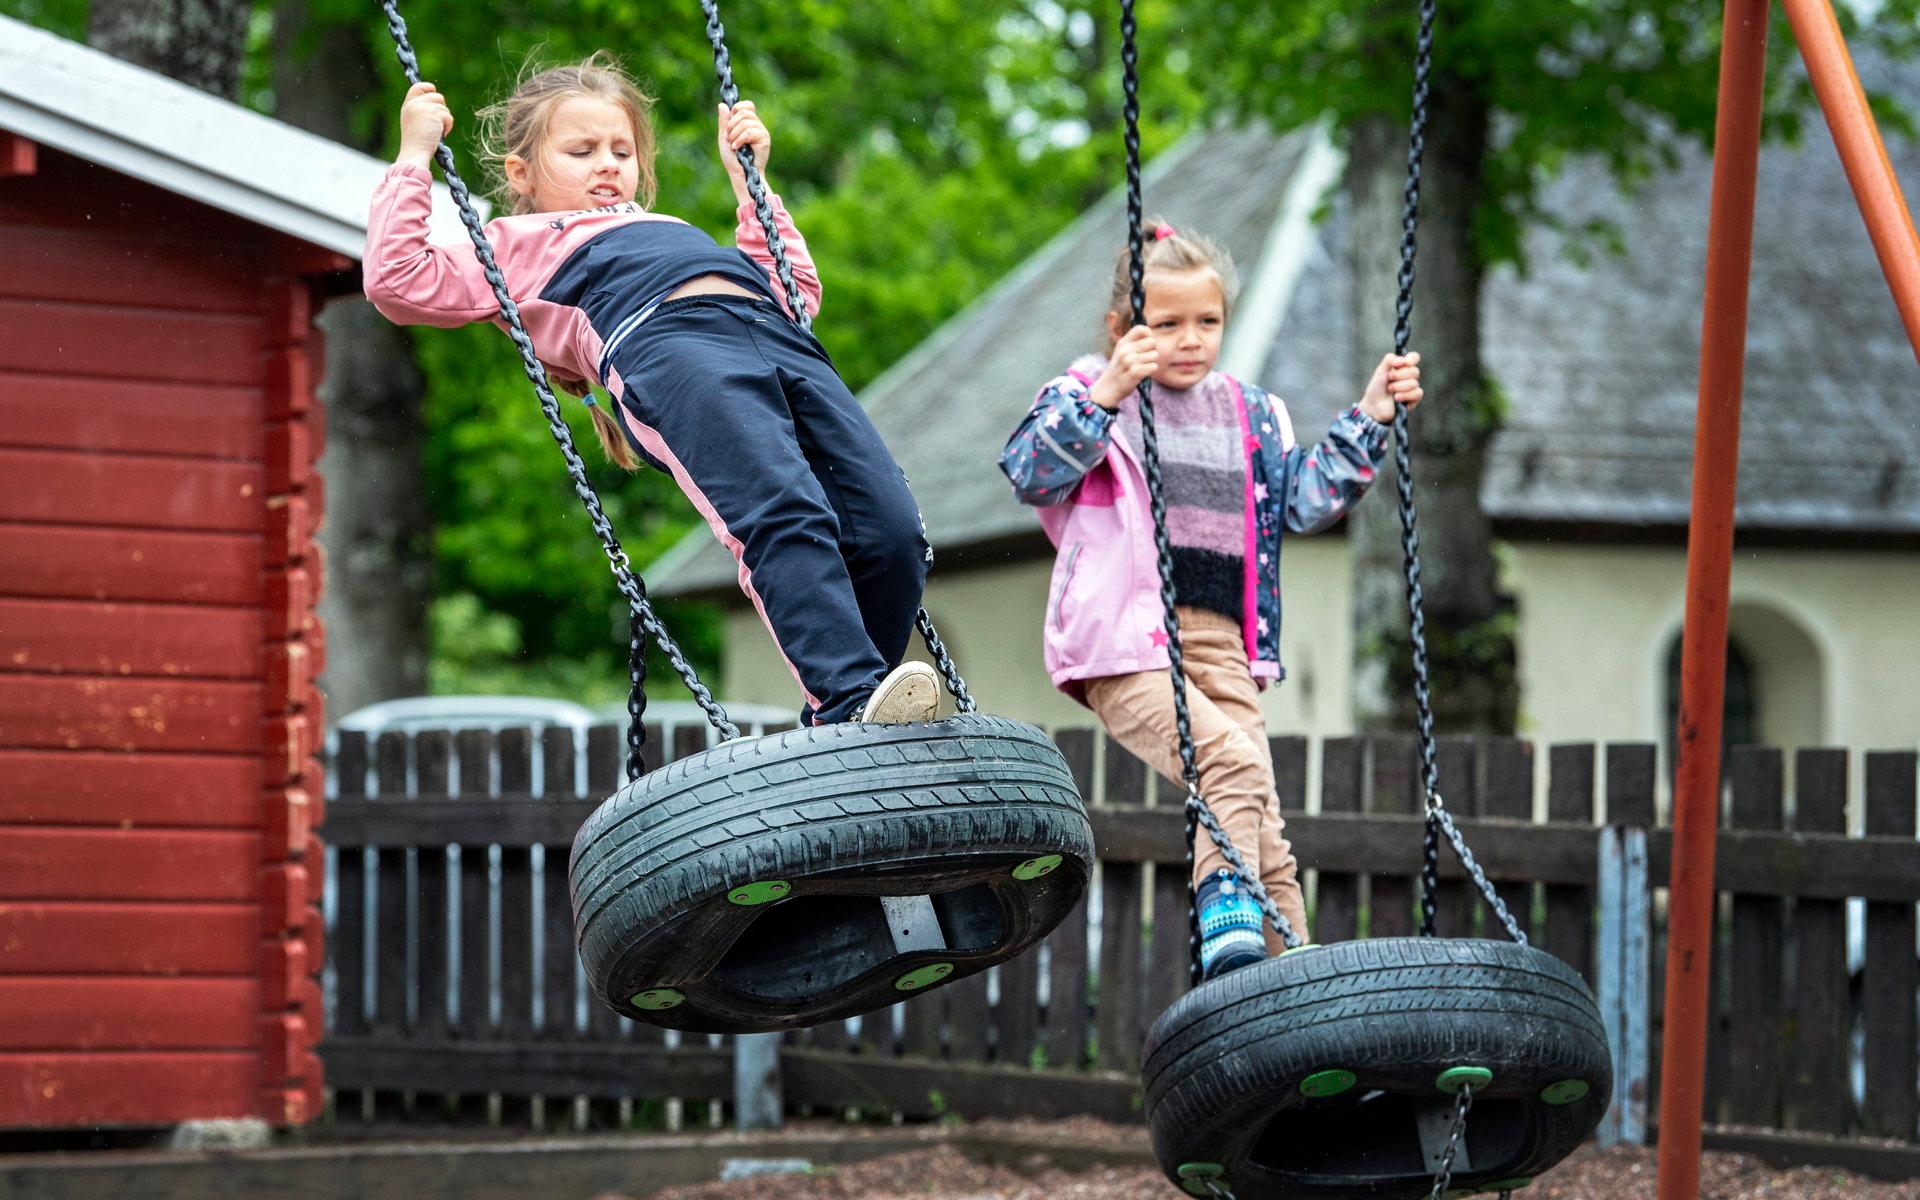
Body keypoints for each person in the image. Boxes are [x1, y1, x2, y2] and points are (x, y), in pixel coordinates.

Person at [364, 54, 937, 727]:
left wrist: (748, 182)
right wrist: (412, 157)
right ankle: (845, 697)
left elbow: (793, 292)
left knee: (891, 528)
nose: (606, 164)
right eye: (580, 151)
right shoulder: (514, 247)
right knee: (783, 510)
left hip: (775, 336)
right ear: (520, 173)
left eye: (621, 149)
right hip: (667, 349)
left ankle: (860, 710)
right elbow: (397, 280)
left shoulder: (669, 228)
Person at [1000, 221, 1423, 979]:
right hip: (1129, 644)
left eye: (1208, 321)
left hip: (1226, 641)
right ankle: (1224, 911)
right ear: (1122, 328)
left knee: (1266, 830)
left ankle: (1295, 987)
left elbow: (1301, 499)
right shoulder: (1093, 396)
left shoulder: (1250, 412)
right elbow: (1032, 473)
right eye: (1166, 325)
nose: (1190, 340)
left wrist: (1370, 416)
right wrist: (1107, 391)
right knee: (1226, 762)